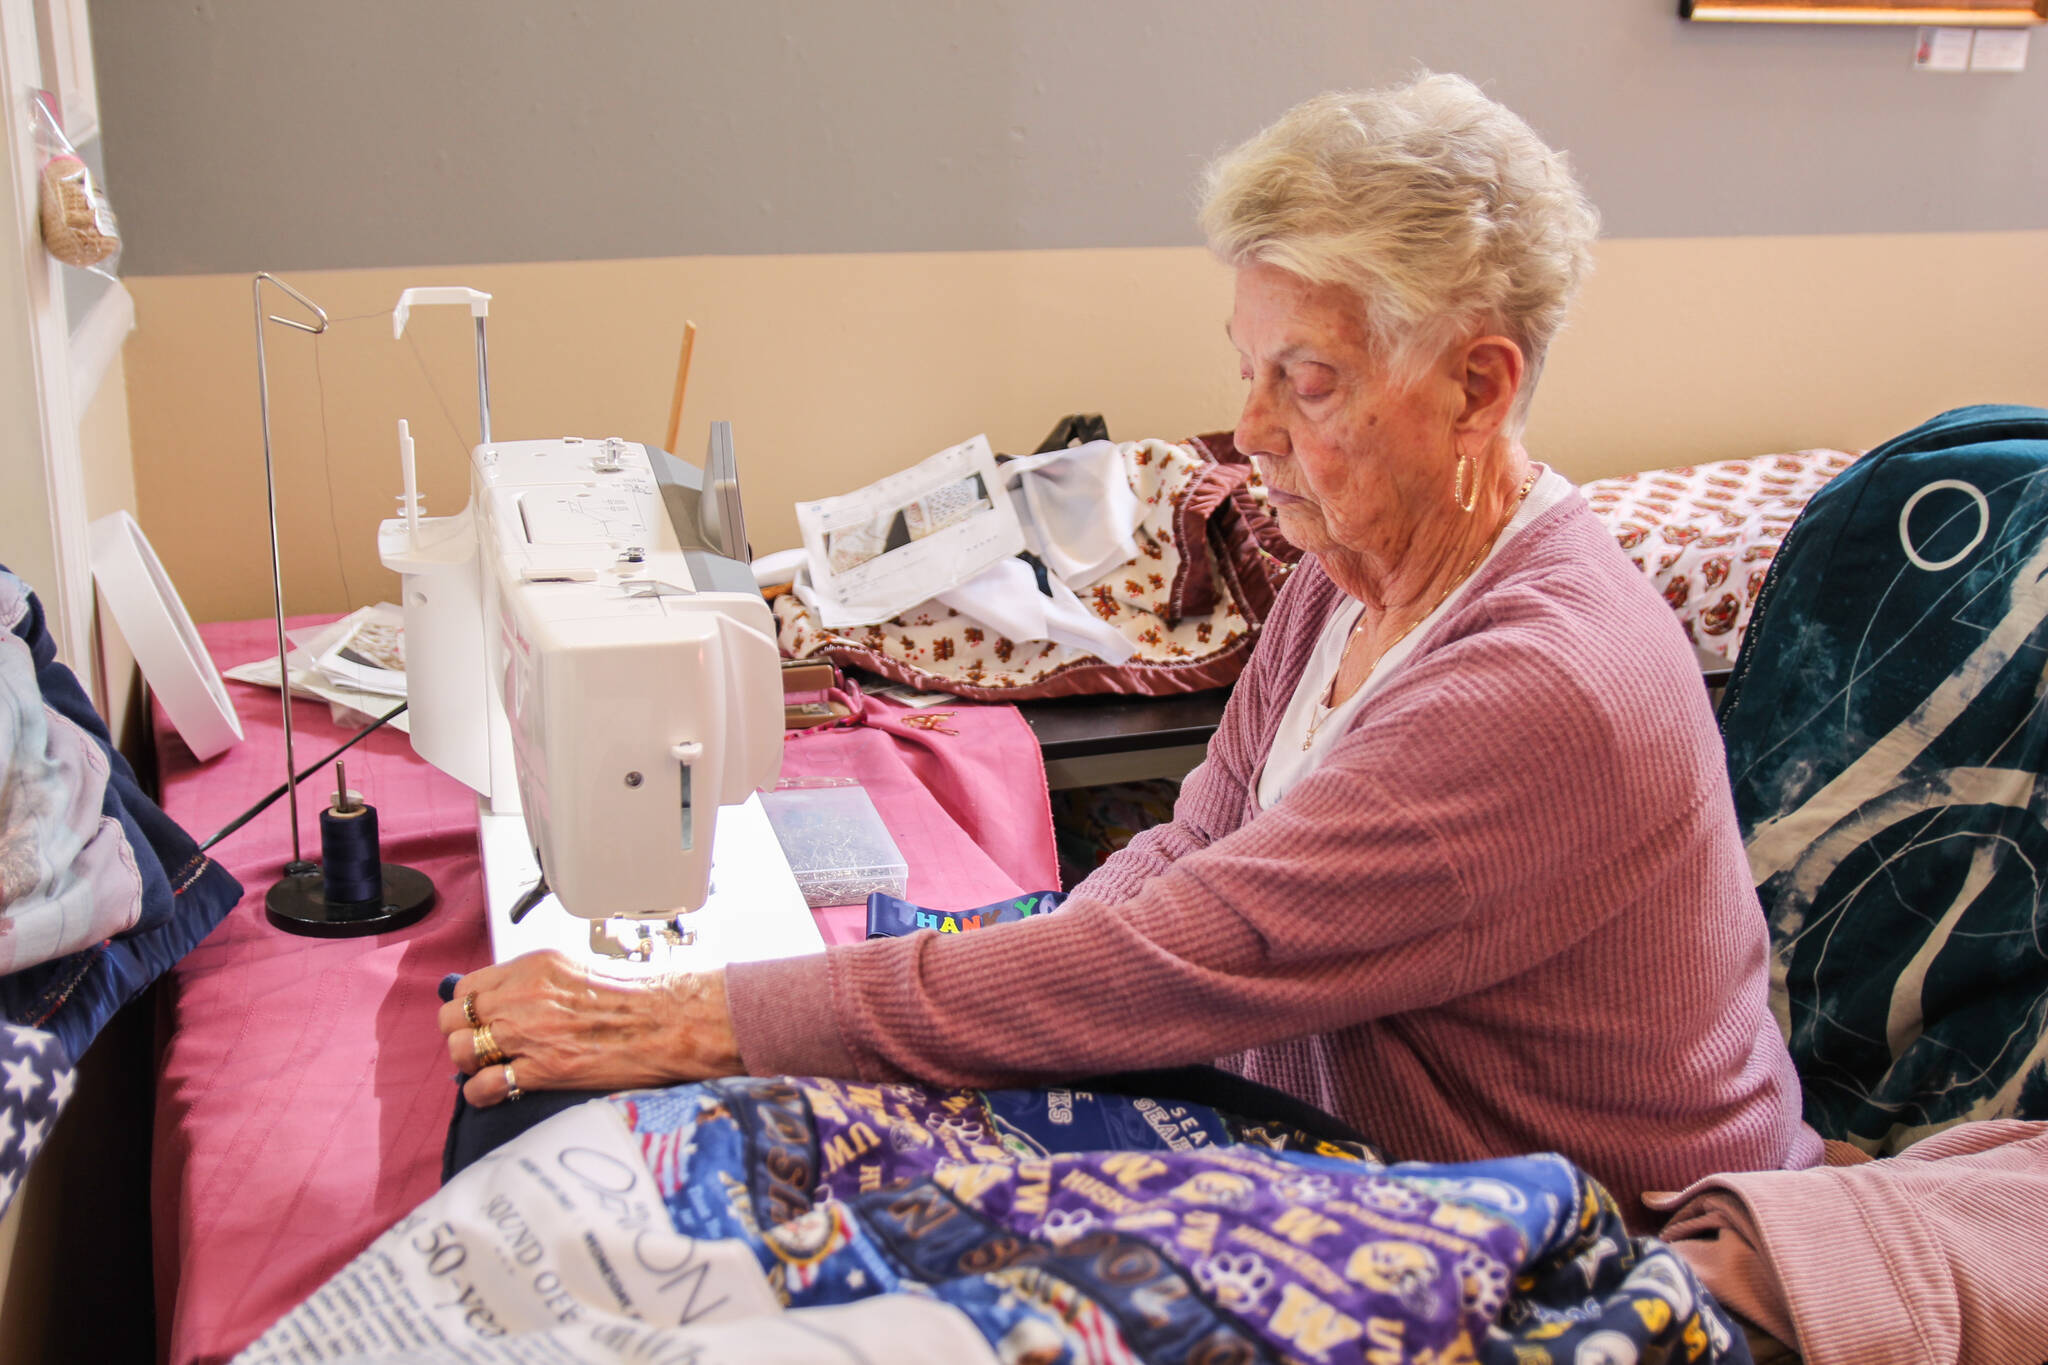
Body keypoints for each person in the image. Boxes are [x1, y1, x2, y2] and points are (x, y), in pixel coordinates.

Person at [438, 73, 1819, 1226]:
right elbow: (1186, 855)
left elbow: (1189, 953)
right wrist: (886, 1010)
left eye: (1309, 380)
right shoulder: (1347, 579)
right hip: (1391, 1158)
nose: (1253, 429)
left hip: (1605, 1239)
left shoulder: (1539, 684)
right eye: (1248, 366)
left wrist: (715, 1016)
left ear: (1478, 385)